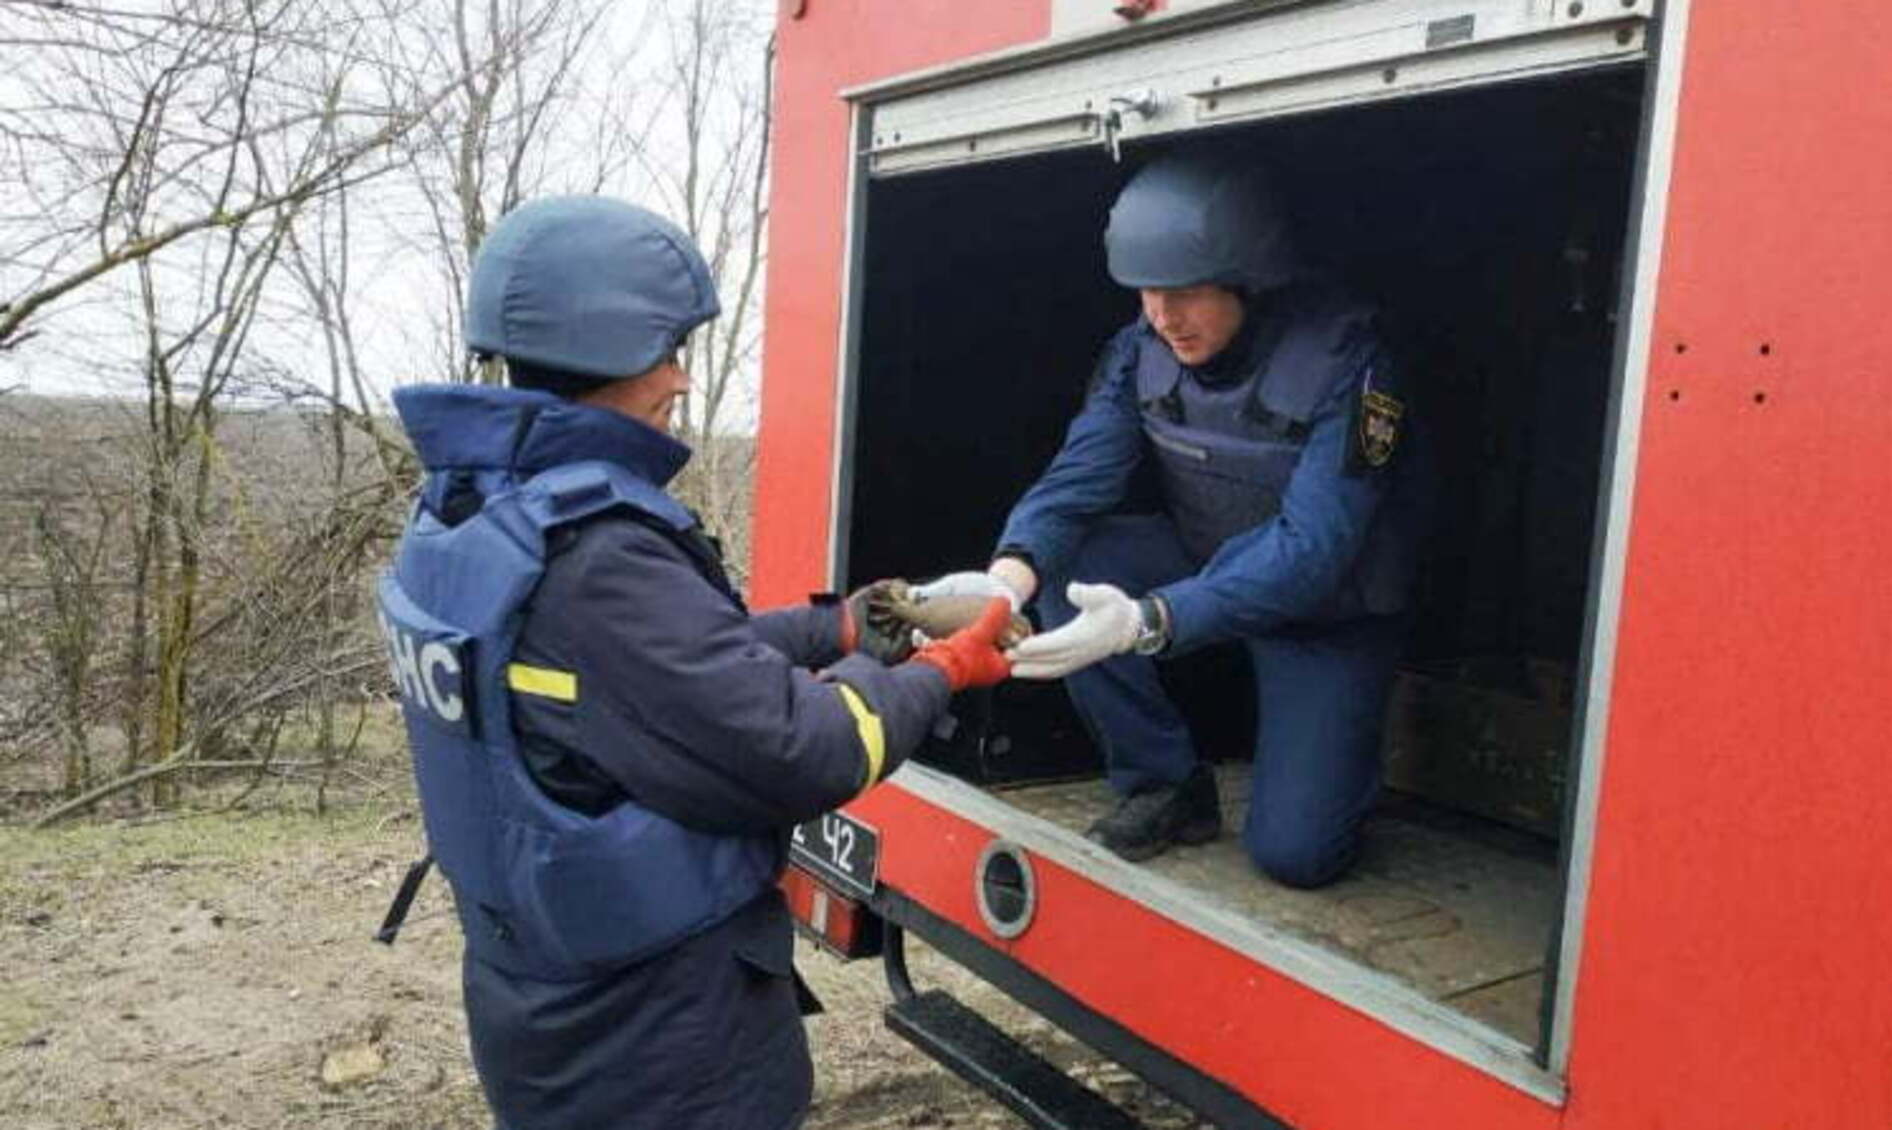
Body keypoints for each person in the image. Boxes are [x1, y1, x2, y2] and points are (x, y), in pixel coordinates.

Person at [374, 195, 1012, 1130]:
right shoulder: (597, 554)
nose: (678, 377)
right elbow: (802, 748)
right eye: (668, 349)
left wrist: (838, 630)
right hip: (656, 1039)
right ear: (609, 349)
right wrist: (941, 670)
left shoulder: (475, 516)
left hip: (553, 1002)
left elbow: (642, 683)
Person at [920, 150, 1431, 888]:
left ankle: (1343, 755)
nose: (1163, 316)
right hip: (1206, 560)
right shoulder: (1141, 351)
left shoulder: (1347, 361)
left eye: (1186, 292)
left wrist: (1148, 621)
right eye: (1147, 293)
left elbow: (1314, 550)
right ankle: (1162, 781)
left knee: (1297, 855)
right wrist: (1005, 578)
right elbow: (1079, 477)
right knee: (1073, 562)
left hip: (1328, 609)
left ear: (1250, 279)